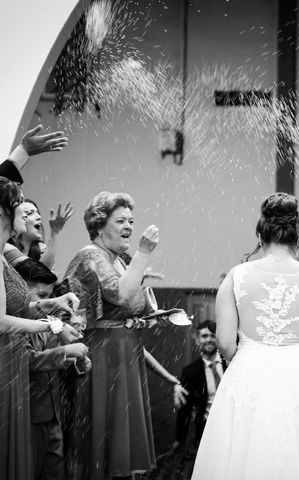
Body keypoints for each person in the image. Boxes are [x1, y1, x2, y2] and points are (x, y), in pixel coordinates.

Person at [192, 192, 299, 480]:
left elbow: (223, 342)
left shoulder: (237, 276)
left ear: (260, 235)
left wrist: (247, 358)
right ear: (298, 235)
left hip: (249, 375)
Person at [0, 176, 81, 480]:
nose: (25, 208)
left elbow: (18, 305)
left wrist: (54, 303)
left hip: (0, 356)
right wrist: (51, 327)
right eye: (20, 200)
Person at [62, 191, 173, 480]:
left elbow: (131, 304)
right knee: (104, 434)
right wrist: (144, 252)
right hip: (103, 354)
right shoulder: (91, 255)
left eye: (131, 220)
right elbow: (120, 294)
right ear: (99, 226)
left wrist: (143, 319)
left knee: (123, 435)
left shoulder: (119, 260)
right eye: (121, 220)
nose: (129, 227)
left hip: (125, 351)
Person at [15, 258, 92, 480]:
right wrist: (66, 351)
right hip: (28, 416)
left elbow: (55, 358)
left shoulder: (49, 323)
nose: (51, 303)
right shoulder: (15, 324)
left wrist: (77, 363)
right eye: (42, 297)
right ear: (20, 292)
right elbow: (29, 360)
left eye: (50, 296)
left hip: (54, 415)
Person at [172, 320, 225, 453]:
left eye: (213, 335)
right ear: (197, 340)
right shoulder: (189, 372)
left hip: (234, 427)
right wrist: (180, 439)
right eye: (204, 336)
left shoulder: (231, 364)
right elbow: (185, 409)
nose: (209, 340)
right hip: (206, 431)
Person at [9, 199, 74, 270]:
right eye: (30, 213)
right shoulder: (8, 251)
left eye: (37, 213)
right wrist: (54, 233)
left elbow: (44, 276)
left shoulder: (40, 251)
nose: (39, 217)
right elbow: (39, 274)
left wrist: (55, 232)